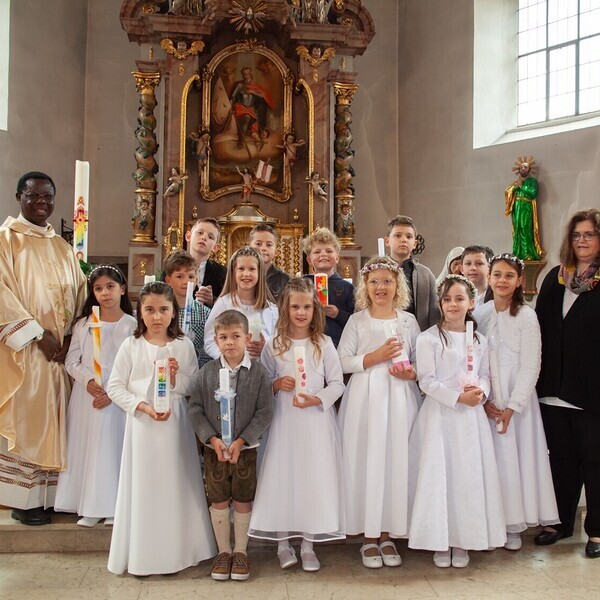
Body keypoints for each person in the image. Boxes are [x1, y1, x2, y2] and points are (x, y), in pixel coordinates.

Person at [106, 282, 216, 575]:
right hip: (143, 426)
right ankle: (144, 555)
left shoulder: (183, 345)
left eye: (163, 310)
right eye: (150, 310)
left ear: (173, 312)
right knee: (145, 486)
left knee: (176, 484)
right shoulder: (131, 345)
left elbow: (194, 385)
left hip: (175, 425)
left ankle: (180, 551)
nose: (157, 317)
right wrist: (142, 407)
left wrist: (177, 377)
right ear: (140, 312)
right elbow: (115, 387)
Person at [0, 171, 87, 526]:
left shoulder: (62, 247)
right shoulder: (6, 241)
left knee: (57, 422)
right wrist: (39, 335)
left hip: (60, 354)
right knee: (29, 421)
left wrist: (71, 338)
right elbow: (3, 295)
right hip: (26, 352)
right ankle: (24, 500)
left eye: (48, 196)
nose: (42, 202)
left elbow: (80, 294)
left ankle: (51, 497)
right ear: (19, 197)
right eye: (34, 195)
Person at [408, 274, 506, 568]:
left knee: (466, 476)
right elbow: (426, 381)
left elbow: (486, 376)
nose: (453, 304)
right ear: (440, 303)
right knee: (440, 476)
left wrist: (481, 392)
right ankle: (440, 539)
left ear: (471, 303)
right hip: (440, 415)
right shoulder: (427, 339)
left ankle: (464, 539)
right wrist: (457, 397)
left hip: (470, 419)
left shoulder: (479, 340)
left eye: (459, 299)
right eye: (447, 299)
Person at [249, 278, 346, 572]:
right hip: (283, 422)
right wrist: (276, 383)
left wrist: (318, 399)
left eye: (306, 307)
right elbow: (262, 383)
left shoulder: (323, 344)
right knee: (283, 476)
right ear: (285, 309)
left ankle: (308, 544)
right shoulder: (275, 345)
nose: (301, 313)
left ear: (314, 309)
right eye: (295, 307)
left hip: (315, 423)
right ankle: (282, 544)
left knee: (312, 478)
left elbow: (338, 383)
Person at [337, 256, 421, 569]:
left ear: (397, 285)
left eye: (387, 281)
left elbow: (420, 359)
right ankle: (369, 536)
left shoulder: (408, 321)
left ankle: (388, 533)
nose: (381, 287)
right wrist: (374, 357)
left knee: (394, 460)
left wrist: (412, 372)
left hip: (400, 397)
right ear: (365, 286)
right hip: (365, 399)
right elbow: (342, 361)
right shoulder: (357, 321)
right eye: (374, 282)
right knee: (368, 461)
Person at [475, 254, 559, 551]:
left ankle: (513, 525)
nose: (502, 281)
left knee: (515, 462)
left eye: (509, 276)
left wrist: (513, 406)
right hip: (488, 399)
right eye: (497, 275)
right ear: (489, 278)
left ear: (520, 280)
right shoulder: (480, 313)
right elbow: (473, 360)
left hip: (517, 402)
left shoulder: (526, 316)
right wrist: (483, 401)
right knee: (492, 463)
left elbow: (532, 364)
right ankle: (492, 523)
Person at [189, 310, 273, 581]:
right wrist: (211, 439)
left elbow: (265, 412)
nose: (229, 342)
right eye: (223, 337)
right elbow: (195, 408)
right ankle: (223, 551)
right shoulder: (206, 373)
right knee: (219, 498)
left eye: (236, 336)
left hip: (245, 451)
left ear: (247, 338)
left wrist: (242, 440)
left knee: (243, 498)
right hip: (215, 452)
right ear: (216, 340)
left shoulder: (259, 374)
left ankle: (241, 552)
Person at [535, 208, 600, 558]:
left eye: (589, 234)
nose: (582, 240)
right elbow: (539, 328)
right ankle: (560, 523)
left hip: (591, 390)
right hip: (553, 388)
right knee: (560, 459)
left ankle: (597, 531)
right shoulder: (555, 277)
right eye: (576, 235)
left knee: (595, 461)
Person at [54, 265, 136, 527]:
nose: (105, 293)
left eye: (110, 287)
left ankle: (112, 506)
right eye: (98, 289)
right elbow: (71, 361)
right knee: (89, 449)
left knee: (111, 449)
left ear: (122, 289)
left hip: (116, 397)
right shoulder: (84, 324)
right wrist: (88, 380)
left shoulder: (132, 325)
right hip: (87, 397)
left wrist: (111, 390)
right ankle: (88, 505)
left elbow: (134, 364)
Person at [204, 246, 278, 360]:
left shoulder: (271, 310)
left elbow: (279, 344)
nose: (246, 274)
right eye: (241, 268)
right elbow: (210, 341)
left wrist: (266, 349)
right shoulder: (223, 304)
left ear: (260, 273)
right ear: (233, 272)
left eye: (252, 269)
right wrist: (229, 358)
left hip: (262, 368)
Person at [384, 215, 440, 331]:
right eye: (397, 235)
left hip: (419, 334)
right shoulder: (376, 271)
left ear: (414, 244)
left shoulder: (425, 274)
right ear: (387, 241)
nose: (403, 240)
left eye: (409, 236)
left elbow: (434, 313)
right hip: (385, 332)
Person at [302, 227, 354, 347]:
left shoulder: (347, 288)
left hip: (337, 344)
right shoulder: (303, 284)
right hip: (307, 342)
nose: (323, 254)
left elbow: (356, 320)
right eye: (317, 252)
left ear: (337, 258)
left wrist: (338, 314)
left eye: (329, 251)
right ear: (309, 260)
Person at [164, 250, 211, 368]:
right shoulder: (163, 312)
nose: (186, 281)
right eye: (179, 276)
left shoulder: (205, 314)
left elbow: (209, 349)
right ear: (168, 281)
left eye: (191, 276)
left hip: (196, 369)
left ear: (197, 280)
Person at [504, 156, 543, 261]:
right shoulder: (517, 182)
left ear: (529, 170)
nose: (523, 169)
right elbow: (507, 191)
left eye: (525, 167)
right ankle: (518, 253)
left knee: (525, 227)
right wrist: (516, 187)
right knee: (517, 228)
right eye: (521, 167)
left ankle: (527, 253)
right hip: (517, 207)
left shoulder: (532, 181)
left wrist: (522, 187)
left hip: (526, 206)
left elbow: (533, 193)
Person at [185, 217, 227, 308]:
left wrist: (212, 300)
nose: (204, 238)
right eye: (200, 233)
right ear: (188, 236)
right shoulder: (174, 266)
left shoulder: (222, 273)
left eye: (210, 237)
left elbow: (227, 304)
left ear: (215, 247)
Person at [230, 67, 274, 144]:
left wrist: (253, 92)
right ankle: (241, 139)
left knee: (254, 123)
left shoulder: (254, 86)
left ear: (250, 75)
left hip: (250, 109)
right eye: (245, 75)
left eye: (248, 74)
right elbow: (233, 97)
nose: (246, 76)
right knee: (247, 117)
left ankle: (256, 139)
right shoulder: (240, 86)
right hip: (240, 107)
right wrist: (230, 108)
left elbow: (263, 96)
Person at [248, 224, 290, 300]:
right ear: (249, 248)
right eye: (258, 244)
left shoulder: (285, 280)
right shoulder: (241, 276)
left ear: (276, 252)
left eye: (269, 245)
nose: (263, 248)